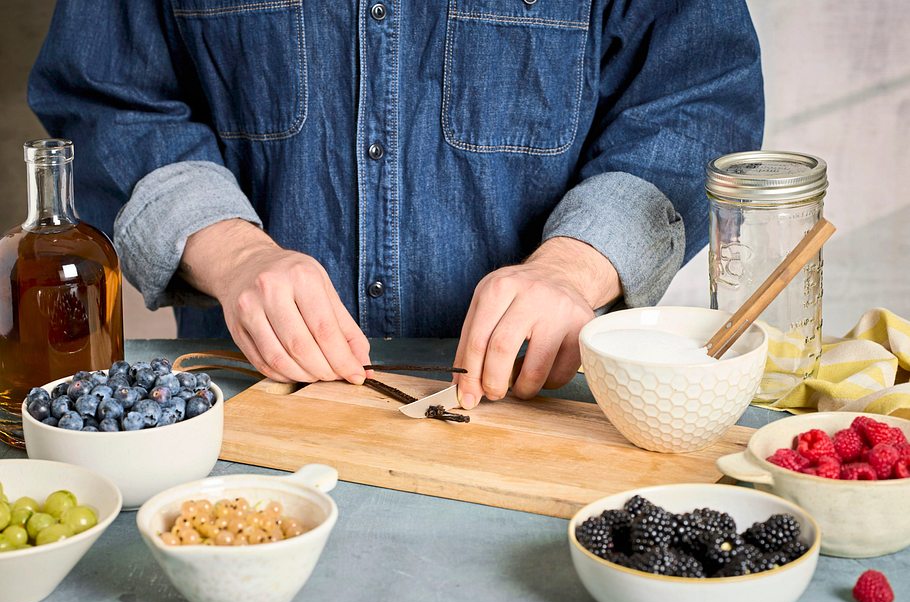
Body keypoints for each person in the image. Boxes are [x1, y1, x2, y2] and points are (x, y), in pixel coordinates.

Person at [28, 0, 763, 408]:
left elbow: (695, 97)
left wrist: (576, 266)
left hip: (545, 411)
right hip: (248, 412)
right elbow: (103, 94)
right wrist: (234, 249)